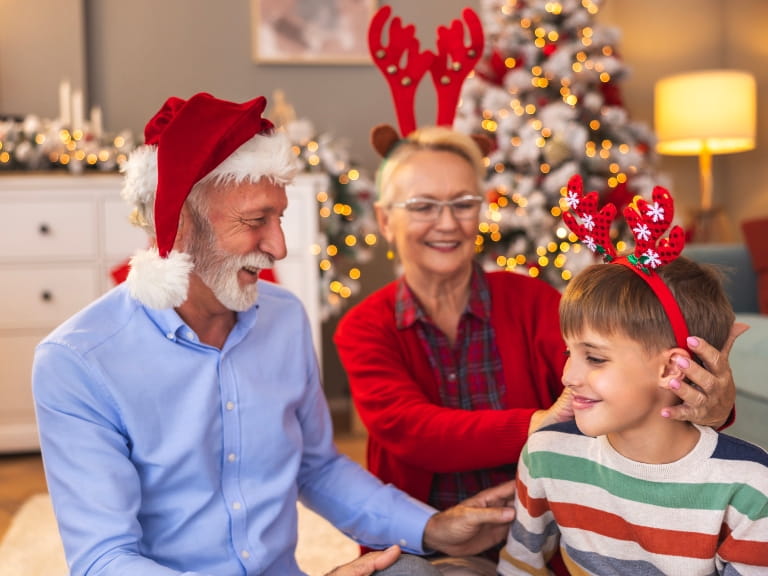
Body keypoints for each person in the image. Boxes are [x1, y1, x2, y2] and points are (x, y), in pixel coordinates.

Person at [31, 93, 518, 576]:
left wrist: (432, 527)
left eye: (279, 217)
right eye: (255, 221)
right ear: (179, 226)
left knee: (418, 571)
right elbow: (103, 560)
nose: (279, 247)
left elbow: (317, 467)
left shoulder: (283, 318)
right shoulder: (78, 361)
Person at [333, 126, 744, 575]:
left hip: (552, 539)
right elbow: (410, 429)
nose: (447, 222)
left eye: (463, 204)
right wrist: (536, 424)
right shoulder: (364, 326)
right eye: (423, 206)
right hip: (428, 539)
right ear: (386, 219)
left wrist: (709, 402)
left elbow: (627, 374)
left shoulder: (532, 302)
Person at [498, 180, 768, 574]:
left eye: (594, 358)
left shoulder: (749, 486)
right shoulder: (546, 454)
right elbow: (520, 566)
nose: (568, 376)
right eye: (568, 352)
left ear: (671, 368)